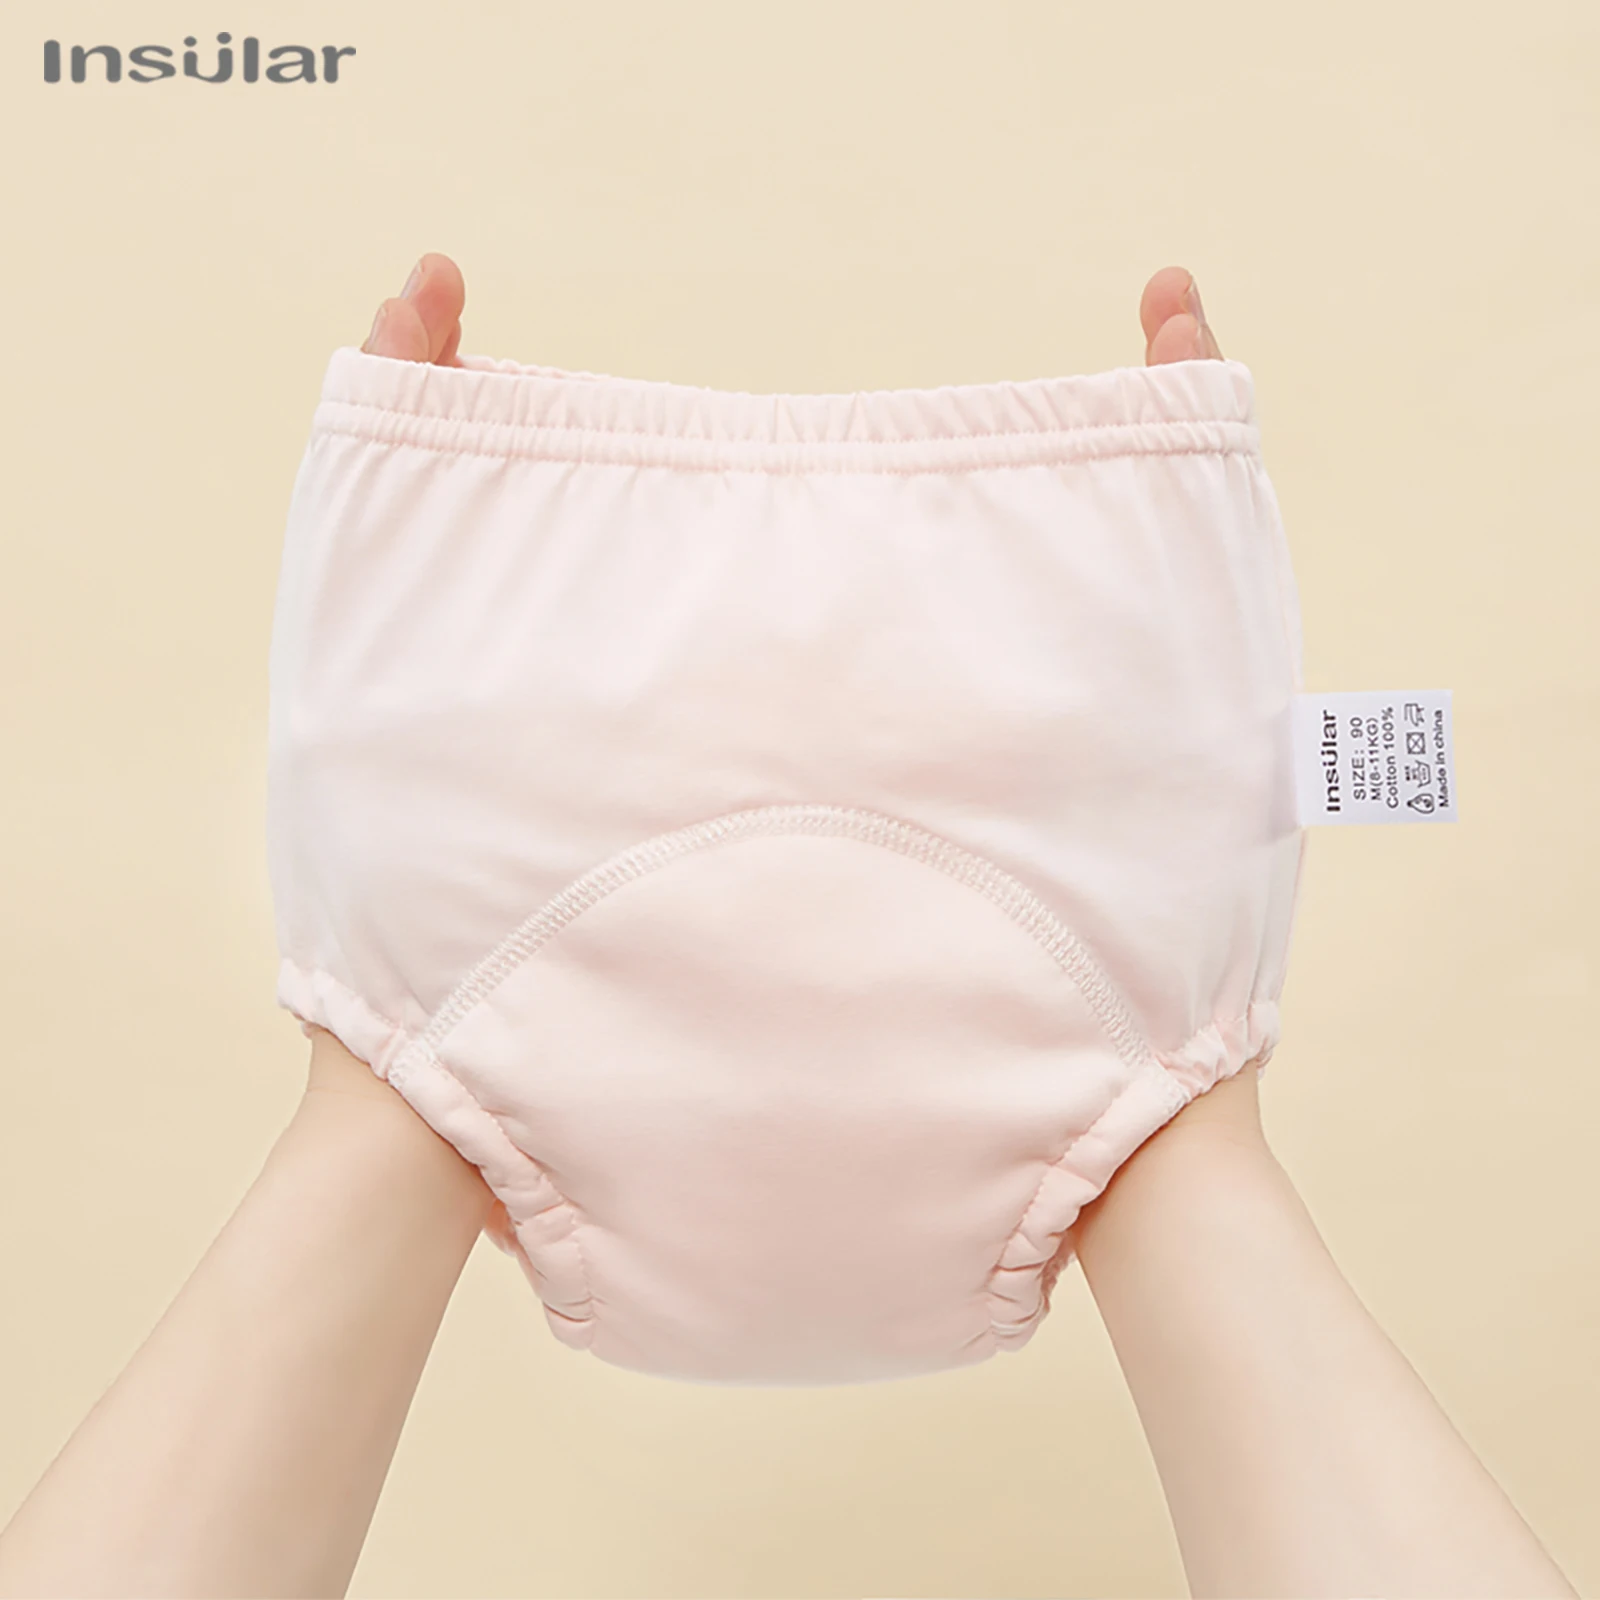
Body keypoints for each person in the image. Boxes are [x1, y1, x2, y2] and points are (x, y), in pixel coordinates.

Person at [0, 260, 1577, 1600]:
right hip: (1063, 703)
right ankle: (1183, 1166)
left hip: (515, 689)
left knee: (372, 1142)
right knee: (1190, 1175)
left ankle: (387, 1131)